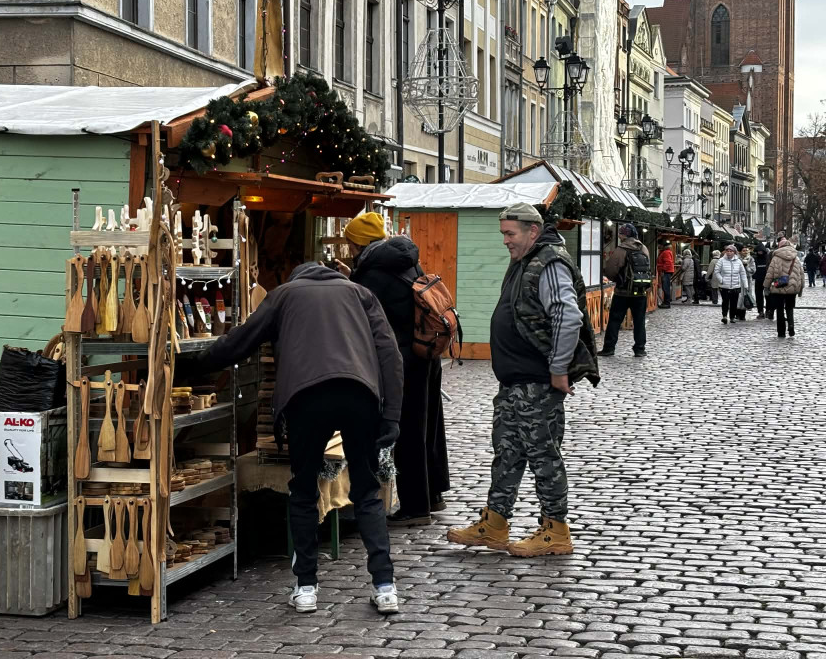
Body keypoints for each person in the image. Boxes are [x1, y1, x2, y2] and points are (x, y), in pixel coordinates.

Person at [191, 261, 404, 614]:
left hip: (306, 398)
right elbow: (390, 355)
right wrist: (392, 414)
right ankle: (385, 586)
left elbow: (238, 343)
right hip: (359, 395)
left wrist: (193, 362)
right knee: (366, 490)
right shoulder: (360, 293)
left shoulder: (284, 295)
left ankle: (306, 588)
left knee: (303, 490)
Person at [447, 203, 600, 557]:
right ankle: (495, 524)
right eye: (503, 233)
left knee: (543, 455)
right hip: (515, 382)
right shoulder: (526, 261)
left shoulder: (550, 262)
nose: (505, 241)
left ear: (532, 231)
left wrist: (559, 370)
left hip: (537, 382)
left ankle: (556, 529)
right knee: (507, 453)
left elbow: (567, 316)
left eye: (509, 233)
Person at [340, 211, 450, 527]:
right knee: (429, 427)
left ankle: (416, 509)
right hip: (425, 353)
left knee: (407, 432)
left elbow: (361, 314)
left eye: (350, 243)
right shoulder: (402, 260)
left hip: (402, 361)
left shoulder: (372, 274)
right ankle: (433, 494)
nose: (348, 248)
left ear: (359, 244)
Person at [597, 223, 650, 357]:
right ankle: (640, 349)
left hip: (623, 292)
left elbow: (611, 270)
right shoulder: (643, 248)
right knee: (639, 321)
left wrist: (618, 280)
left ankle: (609, 348)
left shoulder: (620, 250)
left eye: (620, 233)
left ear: (624, 235)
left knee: (615, 320)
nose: (619, 236)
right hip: (640, 291)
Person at [765, 237, 803, 338]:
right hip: (792, 288)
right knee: (790, 309)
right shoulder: (796, 258)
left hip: (778, 287)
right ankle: (791, 326)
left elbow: (770, 273)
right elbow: (801, 274)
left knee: (780, 310)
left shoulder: (776, 258)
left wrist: (766, 286)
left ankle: (781, 332)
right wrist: (801, 289)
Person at [712, 245, 749, 324]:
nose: (729, 253)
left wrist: (745, 285)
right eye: (727, 251)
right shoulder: (721, 260)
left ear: (734, 252)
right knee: (725, 301)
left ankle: (732, 317)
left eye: (731, 251)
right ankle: (724, 316)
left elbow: (742, 273)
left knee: (734, 302)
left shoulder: (738, 261)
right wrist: (721, 280)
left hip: (736, 285)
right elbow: (716, 271)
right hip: (724, 285)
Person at [737, 246, 756, 320]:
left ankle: (743, 313)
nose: (745, 252)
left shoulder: (751, 259)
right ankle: (737, 313)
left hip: (747, 280)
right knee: (738, 296)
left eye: (746, 250)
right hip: (738, 280)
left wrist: (747, 267)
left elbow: (753, 270)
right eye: (743, 250)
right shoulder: (737, 259)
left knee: (745, 296)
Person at [753, 244, 770, 318]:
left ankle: (769, 311)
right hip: (758, 280)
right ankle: (760, 311)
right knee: (759, 297)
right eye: (758, 251)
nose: (759, 253)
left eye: (761, 251)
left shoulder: (767, 259)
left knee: (768, 296)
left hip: (767, 280)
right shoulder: (755, 259)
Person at [656, 242, 675, 308]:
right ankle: (666, 302)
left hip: (666, 271)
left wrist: (663, 270)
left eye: (659, 244)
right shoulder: (665, 252)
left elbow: (668, 262)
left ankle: (667, 303)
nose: (658, 246)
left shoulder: (665, 252)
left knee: (665, 287)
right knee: (665, 287)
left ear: (662, 245)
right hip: (667, 271)